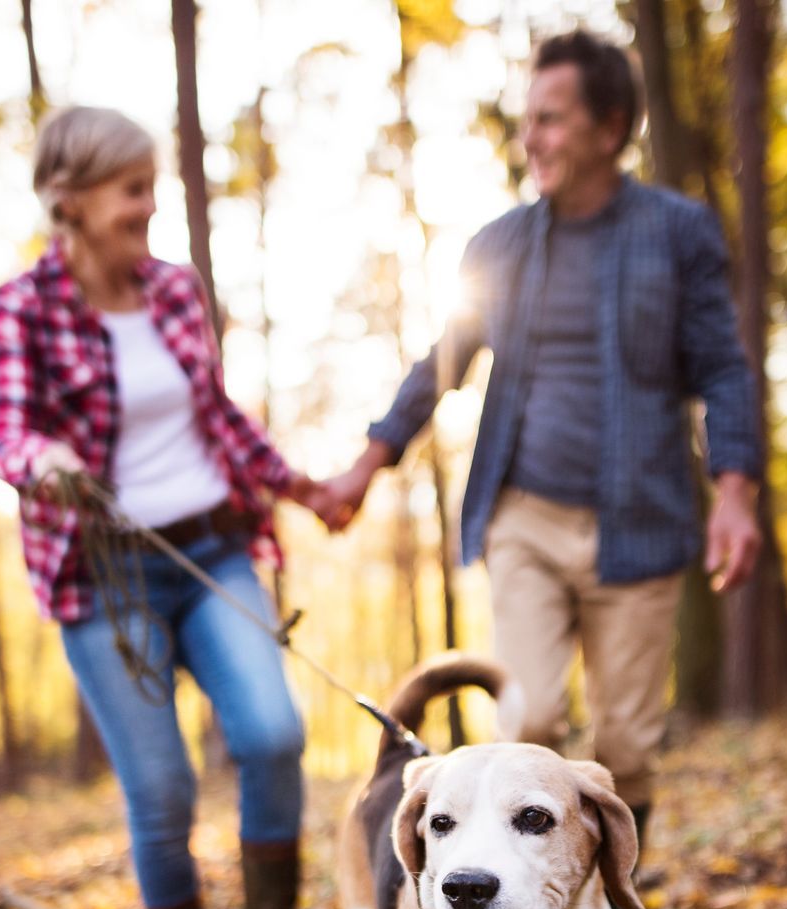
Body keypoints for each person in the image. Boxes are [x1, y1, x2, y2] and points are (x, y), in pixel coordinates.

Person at [322, 30, 762, 844]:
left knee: (626, 748)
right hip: (523, 516)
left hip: (641, 526)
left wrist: (735, 492)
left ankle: (608, 896)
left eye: (553, 120)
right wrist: (366, 465)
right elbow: (439, 366)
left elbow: (725, 370)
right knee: (529, 720)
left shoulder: (677, 233)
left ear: (610, 127)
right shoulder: (499, 246)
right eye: (531, 119)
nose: (534, 137)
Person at [0, 105, 340, 909]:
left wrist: (300, 486)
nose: (148, 206)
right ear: (72, 197)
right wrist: (41, 463)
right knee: (162, 787)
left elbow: (219, 418)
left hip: (211, 548)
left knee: (271, 733)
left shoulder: (176, 292)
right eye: (132, 188)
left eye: (150, 187)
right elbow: (3, 434)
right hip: (105, 578)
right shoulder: (23, 306)